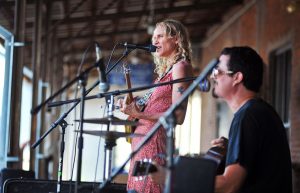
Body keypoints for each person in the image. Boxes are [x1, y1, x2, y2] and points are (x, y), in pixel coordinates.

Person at [118, 19, 193, 193]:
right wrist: (133, 104)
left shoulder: (180, 67)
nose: (154, 42)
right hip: (141, 146)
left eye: (160, 36)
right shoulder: (165, 72)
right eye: (153, 38)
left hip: (154, 147)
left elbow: (178, 116)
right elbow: (155, 105)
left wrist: (141, 114)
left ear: (176, 39)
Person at [210, 46, 292, 193]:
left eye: (218, 71)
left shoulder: (248, 116)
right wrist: (233, 148)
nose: (213, 76)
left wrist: (175, 177)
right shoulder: (258, 111)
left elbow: (229, 185)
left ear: (237, 78)